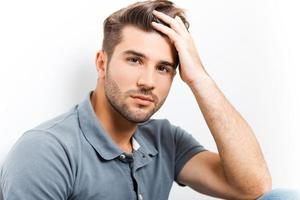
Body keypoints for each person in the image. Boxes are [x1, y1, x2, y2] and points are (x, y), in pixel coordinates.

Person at [0, 0, 299, 200]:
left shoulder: (163, 139)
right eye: (134, 60)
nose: (148, 81)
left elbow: (253, 186)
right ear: (102, 64)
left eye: (163, 68)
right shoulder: (46, 151)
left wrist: (199, 78)